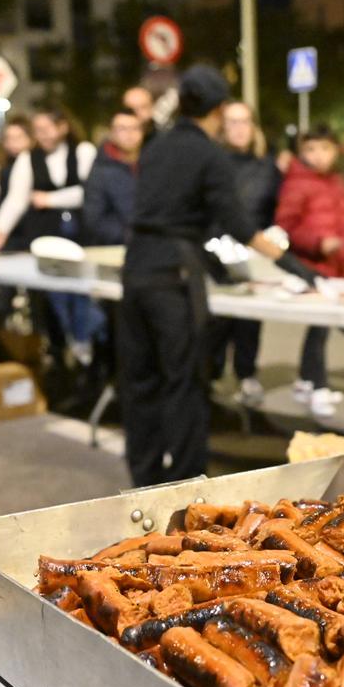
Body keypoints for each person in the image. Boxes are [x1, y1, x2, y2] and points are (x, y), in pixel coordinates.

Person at [120, 65, 314, 488]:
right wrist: (289, 262)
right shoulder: (210, 154)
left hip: (136, 267)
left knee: (140, 380)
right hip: (173, 274)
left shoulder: (154, 147)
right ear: (219, 109)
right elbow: (238, 225)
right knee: (185, 380)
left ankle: (142, 477)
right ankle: (183, 484)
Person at [0, 107, 101, 364]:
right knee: (51, 297)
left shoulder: (83, 152)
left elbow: (90, 192)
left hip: (80, 236)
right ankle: (59, 347)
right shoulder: (28, 159)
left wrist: (50, 199)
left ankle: (84, 345)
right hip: (44, 237)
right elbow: (16, 200)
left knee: (82, 294)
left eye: (46, 129)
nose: (42, 136)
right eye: (37, 131)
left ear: (62, 127)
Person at [275, 125, 344, 416]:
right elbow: (286, 226)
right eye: (311, 150)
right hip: (310, 268)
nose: (319, 156)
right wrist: (318, 242)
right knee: (318, 329)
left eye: (325, 149)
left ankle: (307, 381)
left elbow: (343, 228)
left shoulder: (338, 182)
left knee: (322, 330)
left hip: (335, 267)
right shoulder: (296, 182)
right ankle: (318, 385)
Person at [210, 100, 281, 406]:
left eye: (244, 122)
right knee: (215, 322)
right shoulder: (212, 164)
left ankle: (246, 375)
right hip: (215, 252)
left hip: (254, 253)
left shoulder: (267, 166)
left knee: (250, 321)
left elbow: (277, 209)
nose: (239, 129)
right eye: (232, 122)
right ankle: (210, 378)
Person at [82, 107, 142, 246]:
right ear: (112, 133)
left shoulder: (150, 164)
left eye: (135, 128)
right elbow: (94, 220)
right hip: (113, 248)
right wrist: (129, 236)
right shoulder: (99, 170)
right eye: (122, 129)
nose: (130, 134)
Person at [0, 116, 32, 245]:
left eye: (18, 137)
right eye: (9, 138)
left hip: (28, 230)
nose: (13, 143)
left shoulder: (35, 162)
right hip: (3, 233)